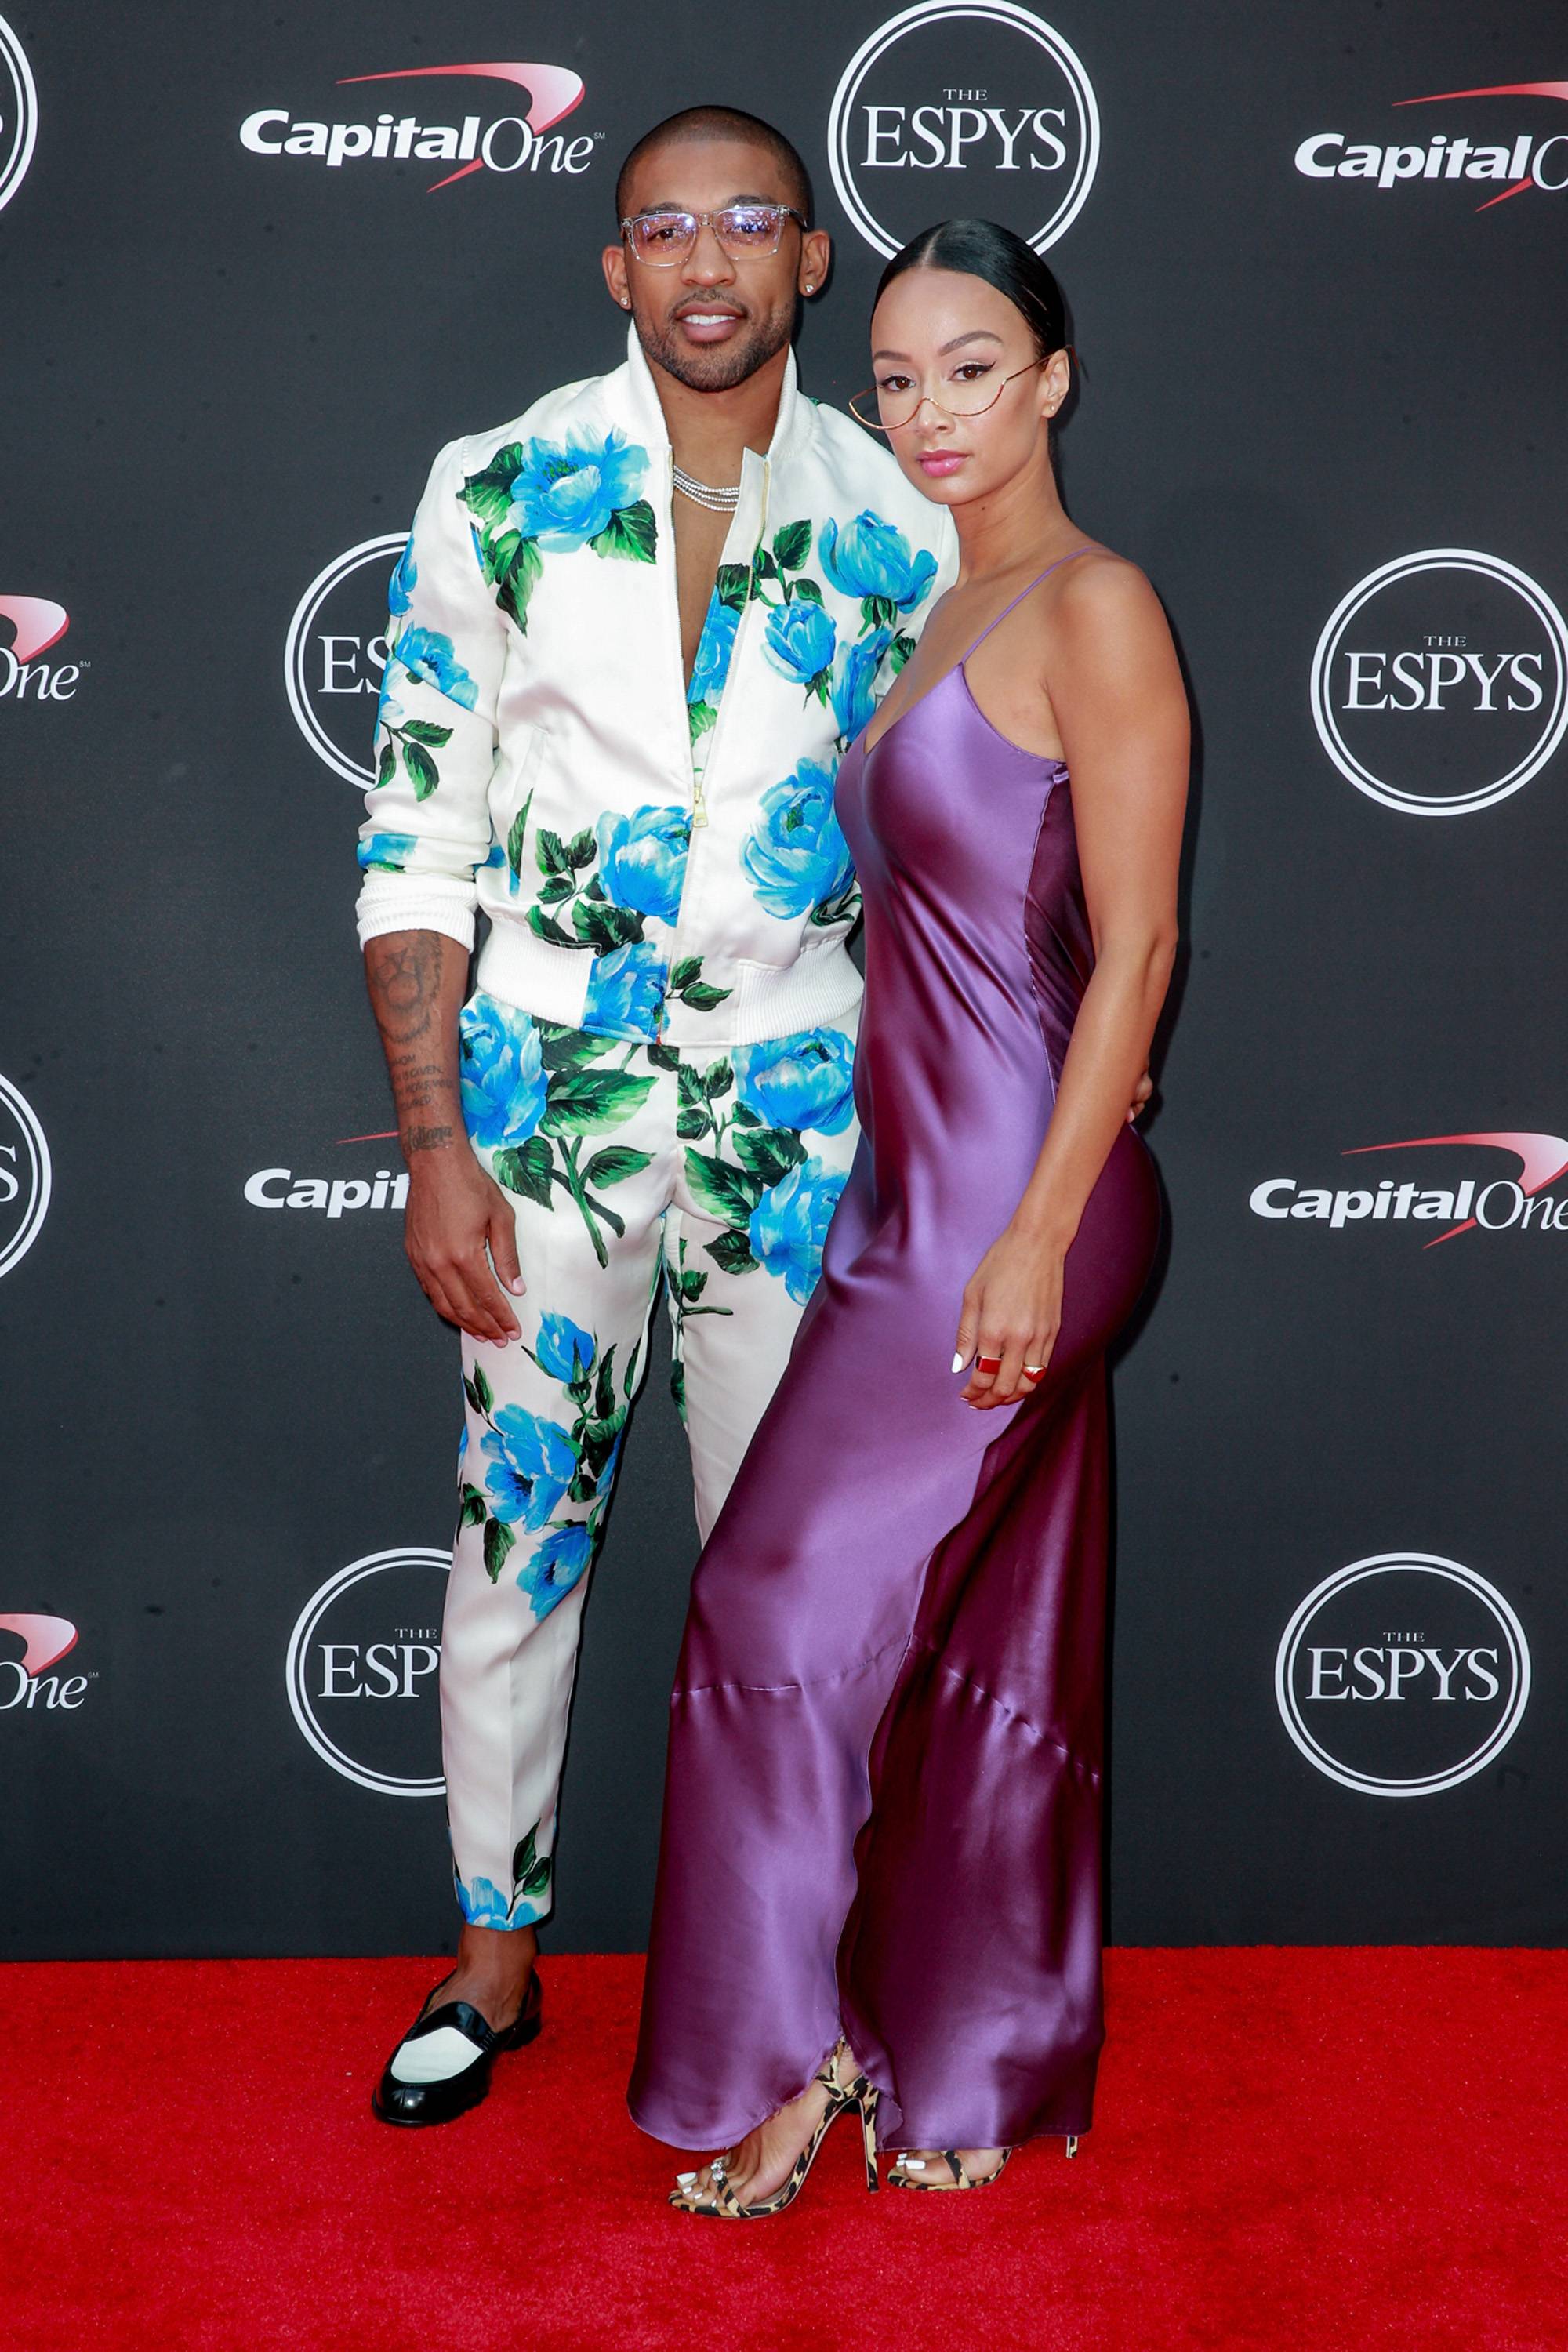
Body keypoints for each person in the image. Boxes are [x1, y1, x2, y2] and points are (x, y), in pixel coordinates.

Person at [356, 109, 959, 2126]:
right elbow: (418, 834)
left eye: (748, 225)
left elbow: (950, 847)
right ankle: (494, 1959)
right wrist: (435, 1141)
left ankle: (797, 1983)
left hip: (803, 1120)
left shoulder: (903, 520)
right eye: (662, 230)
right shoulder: (498, 483)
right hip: (538, 1113)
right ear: (615, 269)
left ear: (809, 261)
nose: (706, 264)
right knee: (514, 1542)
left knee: (792, 1572)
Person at [629, 217, 1189, 2214]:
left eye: (970, 367)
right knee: (967, 1642)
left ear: (1050, 377)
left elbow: (1132, 957)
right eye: (892, 378)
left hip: (1011, 1206)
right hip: (904, 1199)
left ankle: (790, 2062)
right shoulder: (938, 615)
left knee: (770, 1604)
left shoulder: (1093, 606)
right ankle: (955, 2055)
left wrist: (1037, 1235)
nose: (926, 411)